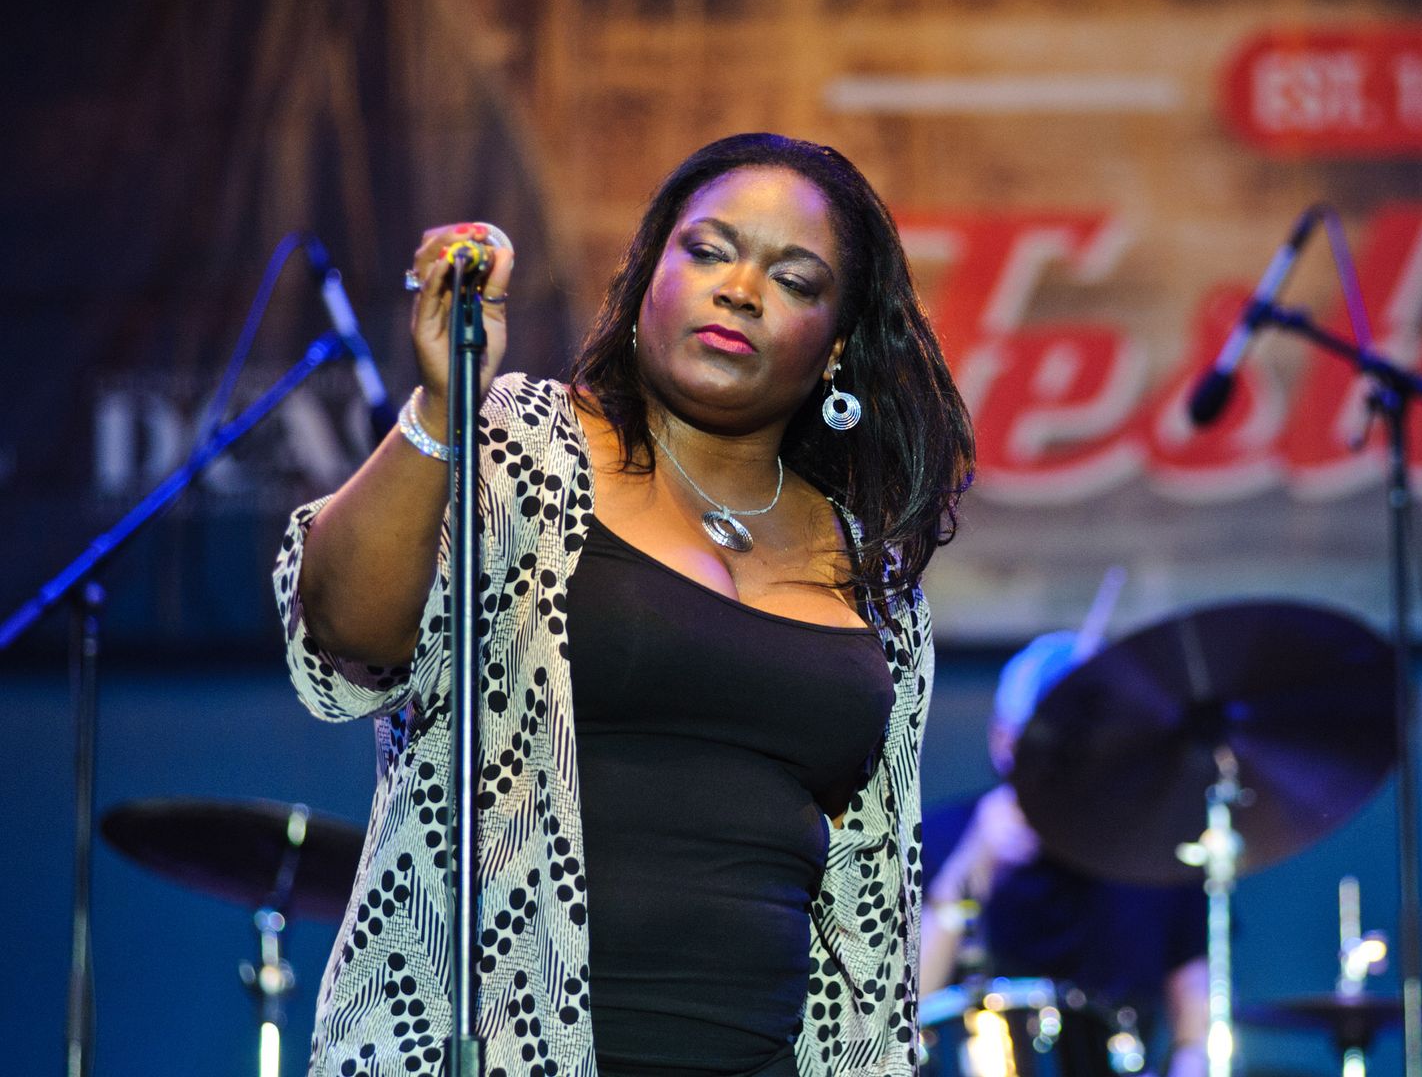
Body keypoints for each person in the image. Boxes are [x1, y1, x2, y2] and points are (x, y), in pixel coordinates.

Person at [273, 133, 973, 1077]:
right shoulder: (522, 447)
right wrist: (444, 409)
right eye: (709, 251)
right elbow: (347, 636)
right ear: (649, 275)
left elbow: (867, 911)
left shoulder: (875, 581)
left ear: (837, 345)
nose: (741, 290)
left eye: (796, 280)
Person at [919, 631, 1210, 1077]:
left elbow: (1197, 1034)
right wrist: (974, 862)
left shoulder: (1160, 854)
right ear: (1004, 742)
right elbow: (906, 1007)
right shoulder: (945, 838)